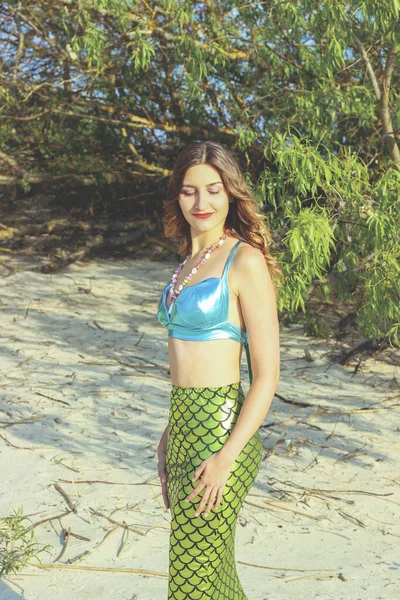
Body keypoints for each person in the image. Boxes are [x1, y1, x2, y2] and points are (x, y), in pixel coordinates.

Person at [156, 140, 281, 600]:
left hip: (222, 435)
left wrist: (226, 458)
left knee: (189, 584)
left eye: (213, 189)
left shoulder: (243, 261)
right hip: (185, 427)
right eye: (190, 191)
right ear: (177, 196)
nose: (201, 202)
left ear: (230, 193)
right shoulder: (186, 263)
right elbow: (184, 366)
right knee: (216, 580)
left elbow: (266, 375)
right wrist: (171, 434)